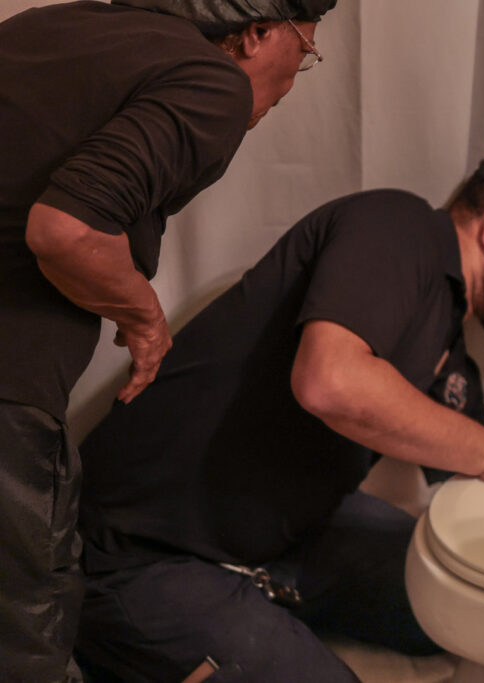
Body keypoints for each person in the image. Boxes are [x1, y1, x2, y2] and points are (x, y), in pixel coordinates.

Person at [74, 143, 484, 681]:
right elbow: (329, 381)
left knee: (470, 603)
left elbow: (483, 462)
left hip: (284, 536)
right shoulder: (397, 229)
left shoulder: (447, 340)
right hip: (140, 553)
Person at [0, 1, 336, 680]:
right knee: (30, 627)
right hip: (9, 376)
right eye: (303, 52)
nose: (294, 81)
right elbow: (65, 229)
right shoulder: (215, 82)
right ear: (256, 32)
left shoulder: (53, 26)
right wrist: (145, 318)